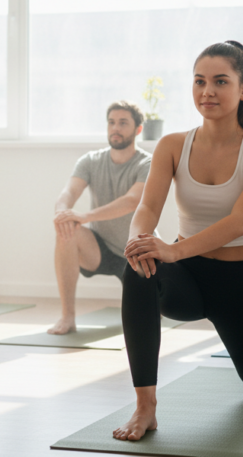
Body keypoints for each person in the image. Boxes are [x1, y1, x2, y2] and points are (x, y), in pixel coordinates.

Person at [115, 41, 243, 441]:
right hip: (190, 279)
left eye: (221, 81)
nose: (207, 91)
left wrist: (172, 249)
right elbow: (147, 208)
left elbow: (240, 221)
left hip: (242, 282)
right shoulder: (173, 145)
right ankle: (145, 407)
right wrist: (140, 241)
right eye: (200, 81)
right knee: (138, 270)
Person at [48, 101, 152, 335]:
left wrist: (84, 216)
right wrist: (62, 214)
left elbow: (131, 200)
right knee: (67, 231)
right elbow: (69, 193)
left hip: (138, 252)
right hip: (102, 249)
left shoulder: (147, 163)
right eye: (112, 122)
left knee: (153, 314)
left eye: (123, 123)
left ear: (138, 129)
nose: (116, 128)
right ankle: (67, 317)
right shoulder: (90, 160)